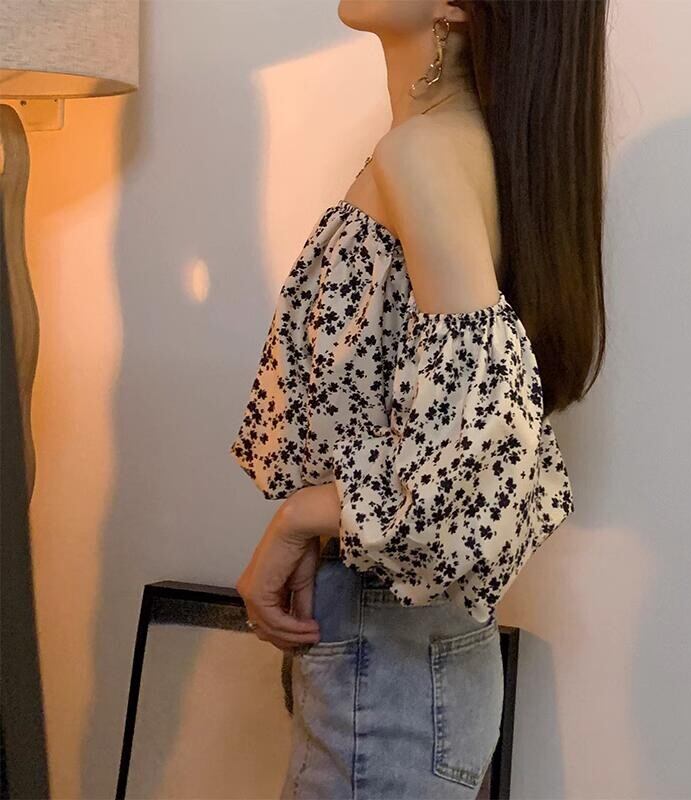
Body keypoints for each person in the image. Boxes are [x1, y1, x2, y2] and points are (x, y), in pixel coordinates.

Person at [230, 1, 607, 797]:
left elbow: (479, 473)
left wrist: (298, 516)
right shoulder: (454, 147)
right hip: (395, 658)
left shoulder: (423, 154)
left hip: (390, 658)